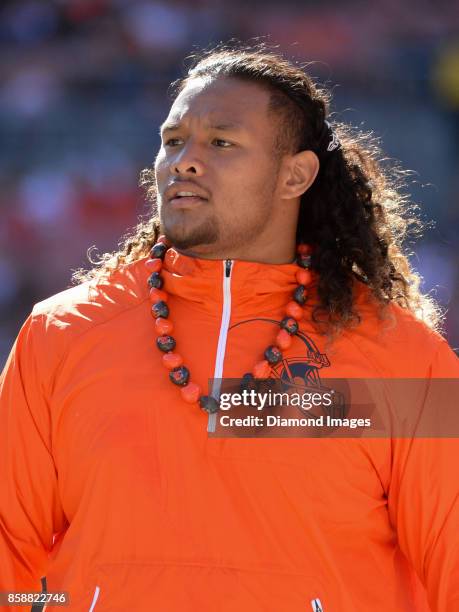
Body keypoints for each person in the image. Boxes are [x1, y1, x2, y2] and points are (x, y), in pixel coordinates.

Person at [1, 45, 458, 612]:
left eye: (221, 142)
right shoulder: (60, 333)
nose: (183, 162)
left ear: (296, 174)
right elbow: (9, 562)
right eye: (172, 141)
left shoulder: (406, 357)